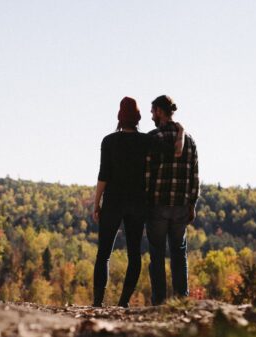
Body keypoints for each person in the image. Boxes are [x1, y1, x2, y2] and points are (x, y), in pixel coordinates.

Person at [92, 96, 184, 307]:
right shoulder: (147, 141)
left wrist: (96, 203)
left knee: (104, 254)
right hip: (137, 204)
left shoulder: (109, 141)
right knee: (134, 255)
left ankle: (97, 303)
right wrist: (180, 130)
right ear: (138, 118)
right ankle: (123, 303)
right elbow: (174, 151)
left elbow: (103, 175)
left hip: (113, 202)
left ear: (119, 117)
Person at [145, 95, 199, 305]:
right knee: (179, 253)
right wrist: (192, 204)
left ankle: (159, 301)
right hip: (180, 206)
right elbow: (195, 175)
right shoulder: (190, 141)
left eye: (152, 111)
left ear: (159, 111)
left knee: (157, 253)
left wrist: (146, 201)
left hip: (158, 205)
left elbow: (147, 174)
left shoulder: (153, 138)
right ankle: (181, 300)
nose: (151, 115)